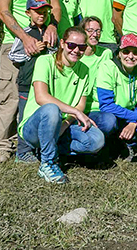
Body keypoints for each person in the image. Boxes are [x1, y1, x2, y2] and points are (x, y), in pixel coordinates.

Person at [0, 0, 61, 163]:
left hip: (44, 43)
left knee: (38, 95)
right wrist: (25, 38)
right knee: (9, 96)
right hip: (14, 42)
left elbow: (56, 6)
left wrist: (52, 25)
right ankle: (2, 146)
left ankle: (31, 144)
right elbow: (4, 11)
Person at [18, 27, 105, 183]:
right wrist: (75, 113)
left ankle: (49, 149)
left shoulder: (84, 70)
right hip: (36, 126)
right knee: (51, 109)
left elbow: (80, 105)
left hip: (64, 124)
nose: (76, 50)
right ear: (63, 44)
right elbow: (41, 97)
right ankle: (48, 163)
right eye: (72, 45)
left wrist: (66, 123)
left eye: (82, 47)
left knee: (97, 139)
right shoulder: (45, 61)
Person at [91, 33, 137, 161]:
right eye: (126, 51)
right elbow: (106, 105)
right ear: (119, 53)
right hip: (104, 113)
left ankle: (126, 144)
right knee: (109, 122)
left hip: (129, 114)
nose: (130, 56)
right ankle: (106, 147)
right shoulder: (107, 67)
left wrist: (134, 122)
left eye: (135, 52)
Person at [8, 0, 57, 162]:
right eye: (37, 12)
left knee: (43, 116)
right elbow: (13, 55)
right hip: (27, 83)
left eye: (44, 11)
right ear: (28, 13)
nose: (41, 15)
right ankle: (22, 151)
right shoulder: (26, 34)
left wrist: (50, 50)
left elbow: (56, 56)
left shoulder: (51, 35)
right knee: (25, 117)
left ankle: (38, 149)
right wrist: (30, 51)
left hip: (45, 85)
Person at [79, 16, 113, 115]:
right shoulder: (75, 55)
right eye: (90, 30)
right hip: (79, 105)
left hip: (100, 106)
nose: (95, 34)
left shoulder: (106, 53)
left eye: (98, 31)